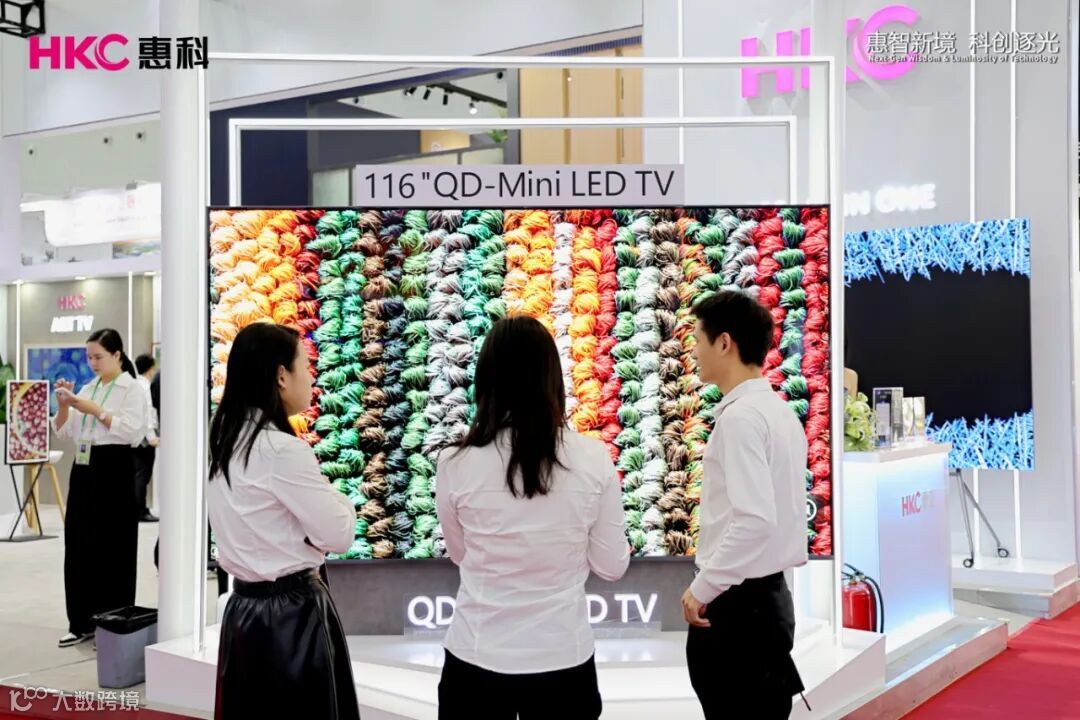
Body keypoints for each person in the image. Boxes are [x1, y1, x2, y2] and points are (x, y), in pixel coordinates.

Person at [436, 315, 630, 720]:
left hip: (476, 656)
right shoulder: (592, 458)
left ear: (485, 382)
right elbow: (612, 566)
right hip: (563, 659)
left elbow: (459, 553)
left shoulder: (454, 462)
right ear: (552, 380)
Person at [208, 323, 358, 720]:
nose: (311, 377)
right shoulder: (282, 450)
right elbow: (339, 534)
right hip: (294, 617)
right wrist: (341, 501)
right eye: (305, 366)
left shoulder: (223, 443)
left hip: (242, 612)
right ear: (280, 376)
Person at [681, 291, 808, 719]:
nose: (693, 352)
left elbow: (754, 520)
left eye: (697, 339)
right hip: (767, 603)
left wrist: (703, 589)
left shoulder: (740, 419)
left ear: (724, 343)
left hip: (738, 613)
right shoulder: (778, 412)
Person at [52, 328, 147, 648]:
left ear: (117, 355)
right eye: (89, 357)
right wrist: (64, 405)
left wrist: (96, 411)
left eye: (98, 357)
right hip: (83, 468)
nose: (92, 363)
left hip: (114, 468)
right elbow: (64, 432)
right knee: (78, 544)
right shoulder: (88, 387)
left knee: (114, 547)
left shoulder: (132, 388)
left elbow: (132, 432)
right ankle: (80, 621)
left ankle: (112, 624)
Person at [133, 353, 158, 522]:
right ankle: (140, 511)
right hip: (144, 439)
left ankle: (138, 510)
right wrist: (151, 437)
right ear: (151, 368)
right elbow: (147, 413)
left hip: (135, 437)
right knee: (142, 475)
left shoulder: (135, 385)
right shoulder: (145, 387)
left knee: (137, 474)